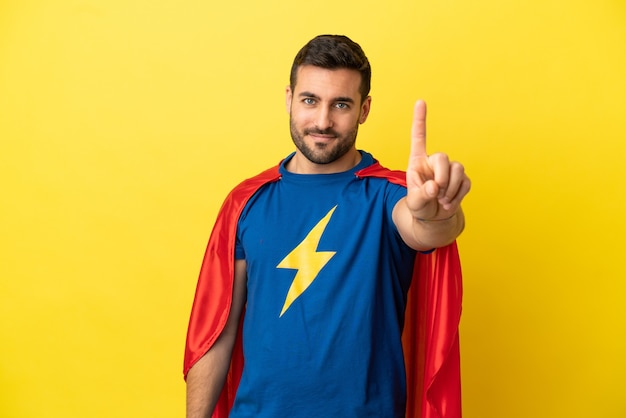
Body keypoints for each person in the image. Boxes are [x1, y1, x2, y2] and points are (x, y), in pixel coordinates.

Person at [184, 34, 471, 418]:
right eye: (309, 101)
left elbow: (426, 229)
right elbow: (218, 331)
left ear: (364, 109)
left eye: (341, 104)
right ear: (289, 98)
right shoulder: (247, 201)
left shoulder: (388, 195)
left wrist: (439, 212)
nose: (323, 121)